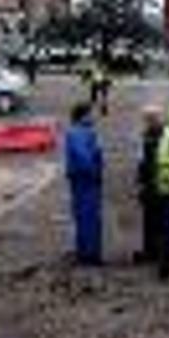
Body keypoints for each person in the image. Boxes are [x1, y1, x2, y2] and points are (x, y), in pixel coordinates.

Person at [135, 106, 169, 279]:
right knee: (150, 223)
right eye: (147, 119)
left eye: (152, 118)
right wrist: (140, 182)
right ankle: (151, 253)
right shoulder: (146, 136)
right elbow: (143, 163)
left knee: (167, 226)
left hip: (166, 187)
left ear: (159, 119)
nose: (149, 122)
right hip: (151, 187)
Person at [64, 103, 104, 265]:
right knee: (88, 217)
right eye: (90, 114)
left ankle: (86, 252)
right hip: (85, 180)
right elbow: (84, 157)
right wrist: (95, 172)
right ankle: (89, 254)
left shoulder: (83, 132)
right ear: (83, 116)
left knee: (85, 216)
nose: (93, 117)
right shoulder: (78, 133)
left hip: (83, 179)